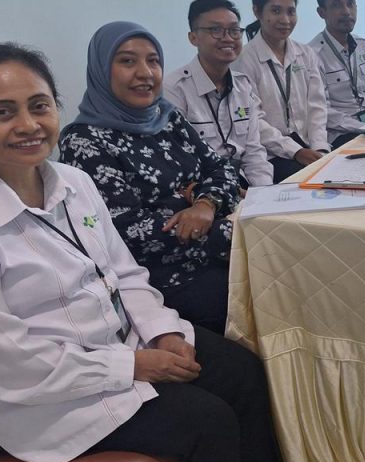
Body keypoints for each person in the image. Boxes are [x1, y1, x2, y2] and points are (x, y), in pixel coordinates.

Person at [0, 43, 322, 462]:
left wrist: (162, 334)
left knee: (239, 371)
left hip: (118, 345)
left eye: (39, 106)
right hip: (38, 395)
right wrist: (133, 366)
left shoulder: (72, 183)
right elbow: (2, 362)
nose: (28, 125)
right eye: (2, 112)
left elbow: (123, 273)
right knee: (205, 421)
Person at [60, 22, 239, 334]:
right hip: (159, 281)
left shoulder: (167, 118)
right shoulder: (84, 141)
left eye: (153, 61)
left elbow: (222, 169)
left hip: (219, 253)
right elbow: (130, 232)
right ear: (101, 69)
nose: (145, 73)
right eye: (127, 61)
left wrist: (205, 205)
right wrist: (228, 231)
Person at [164, 0, 276, 188]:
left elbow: (254, 153)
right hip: (203, 190)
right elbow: (180, 161)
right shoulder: (174, 90)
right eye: (215, 30)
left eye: (234, 30)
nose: (228, 38)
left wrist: (264, 193)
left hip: (243, 184)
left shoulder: (243, 85)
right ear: (193, 38)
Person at [236, 0, 330, 181]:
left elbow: (317, 106)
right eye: (276, 11)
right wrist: (295, 151)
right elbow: (254, 119)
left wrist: (320, 148)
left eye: (291, 11)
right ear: (257, 12)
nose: (285, 20)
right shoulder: (243, 60)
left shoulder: (306, 53)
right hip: (271, 154)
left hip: (309, 146)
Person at [310, 0, 365, 148]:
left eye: (350, 4)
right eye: (336, 5)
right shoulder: (313, 54)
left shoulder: (362, 44)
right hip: (342, 133)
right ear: (322, 12)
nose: (346, 11)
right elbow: (324, 111)